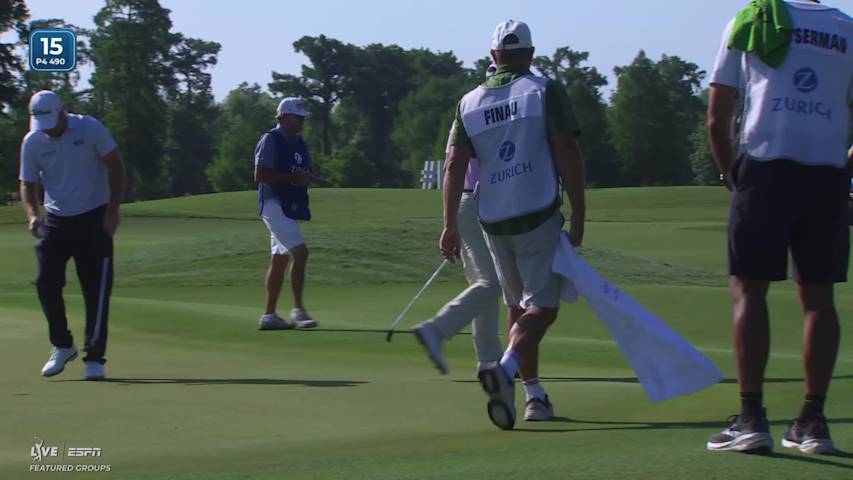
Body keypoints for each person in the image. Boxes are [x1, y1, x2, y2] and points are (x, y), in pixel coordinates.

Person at [706, 0, 853, 454]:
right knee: (819, 297)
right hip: (827, 172)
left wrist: (732, 173)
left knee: (749, 291)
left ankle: (751, 418)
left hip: (765, 167)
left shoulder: (753, 18)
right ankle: (813, 422)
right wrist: (845, 172)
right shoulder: (847, 28)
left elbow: (718, 113)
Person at [441, 20, 586, 430]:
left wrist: (449, 223)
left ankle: (532, 395)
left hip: (492, 220)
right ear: (532, 54)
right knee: (544, 307)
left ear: (493, 57)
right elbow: (567, 150)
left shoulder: (468, 102)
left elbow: (454, 164)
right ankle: (505, 372)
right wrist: (579, 214)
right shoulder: (543, 90)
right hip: (536, 213)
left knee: (516, 305)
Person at [415, 64, 556, 422]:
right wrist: (449, 223)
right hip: (477, 203)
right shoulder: (476, 112)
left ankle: (491, 367)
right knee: (494, 286)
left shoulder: (486, 109)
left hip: (492, 206)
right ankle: (438, 329)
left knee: (503, 296)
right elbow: (454, 163)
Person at [19, 90, 125, 381]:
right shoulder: (33, 141)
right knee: (45, 283)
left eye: (53, 121)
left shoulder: (90, 128)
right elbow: (28, 184)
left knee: (96, 289)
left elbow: (116, 167)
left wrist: (112, 211)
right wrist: (32, 215)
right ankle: (62, 345)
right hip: (56, 220)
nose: (49, 129)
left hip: (94, 217)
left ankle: (94, 356)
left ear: (63, 112)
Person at [254, 97, 318, 330]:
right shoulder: (270, 139)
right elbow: (260, 175)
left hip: (289, 204)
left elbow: (304, 170)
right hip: (273, 203)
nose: (301, 121)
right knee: (301, 253)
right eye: (297, 117)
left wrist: (309, 175)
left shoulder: (299, 143)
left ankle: (269, 316)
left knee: (280, 259)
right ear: (283, 116)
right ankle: (298, 311)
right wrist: (294, 178)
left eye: (302, 117)